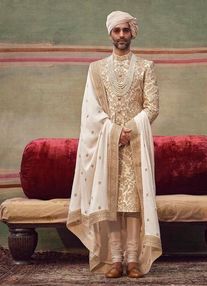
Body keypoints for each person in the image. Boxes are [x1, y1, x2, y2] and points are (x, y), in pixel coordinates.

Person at [67, 10, 162, 278]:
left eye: (126, 30)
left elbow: (152, 107)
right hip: (105, 146)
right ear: (110, 33)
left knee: (132, 203)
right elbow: (90, 110)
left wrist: (128, 132)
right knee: (109, 201)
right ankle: (114, 258)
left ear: (133, 32)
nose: (122, 35)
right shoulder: (96, 69)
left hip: (135, 145)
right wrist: (113, 133)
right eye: (117, 30)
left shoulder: (146, 67)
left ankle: (133, 259)